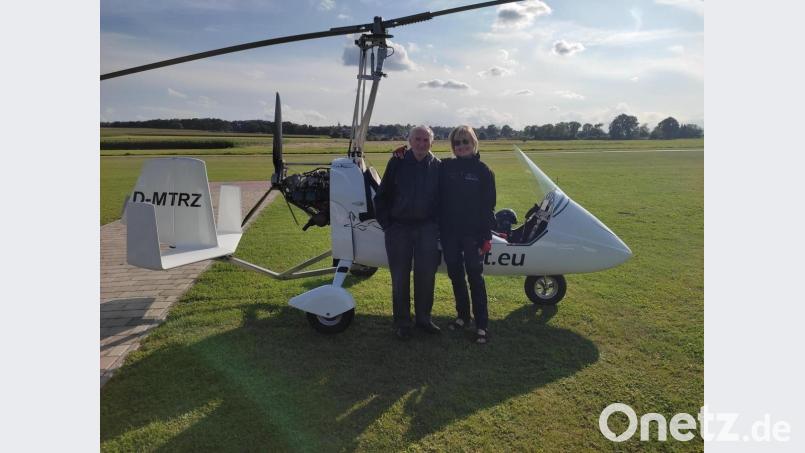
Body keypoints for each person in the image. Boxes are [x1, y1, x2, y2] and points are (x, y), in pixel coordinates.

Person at [374, 125, 442, 340]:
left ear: (432, 142)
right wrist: (388, 225)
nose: (422, 143)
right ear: (410, 141)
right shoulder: (397, 162)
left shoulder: (438, 166)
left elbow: (444, 201)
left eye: (426, 140)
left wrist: (437, 227)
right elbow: (382, 196)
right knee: (400, 277)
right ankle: (402, 322)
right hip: (399, 228)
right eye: (417, 139)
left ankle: (423, 319)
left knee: (426, 276)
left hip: (427, 229)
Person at [439, 125, 496, 344]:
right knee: (456, 276)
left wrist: (486, 237)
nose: (461, 146)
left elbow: (488, 206)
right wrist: (400, 154)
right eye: (457, 142)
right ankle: (463, 316)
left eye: (465, 141)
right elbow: (421, 158)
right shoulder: (445, 167)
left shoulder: (483, 171)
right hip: (450, 233)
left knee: (475, 278)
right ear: (452, 146)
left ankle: (482, 325)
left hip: (473, 234)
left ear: (473, 143)